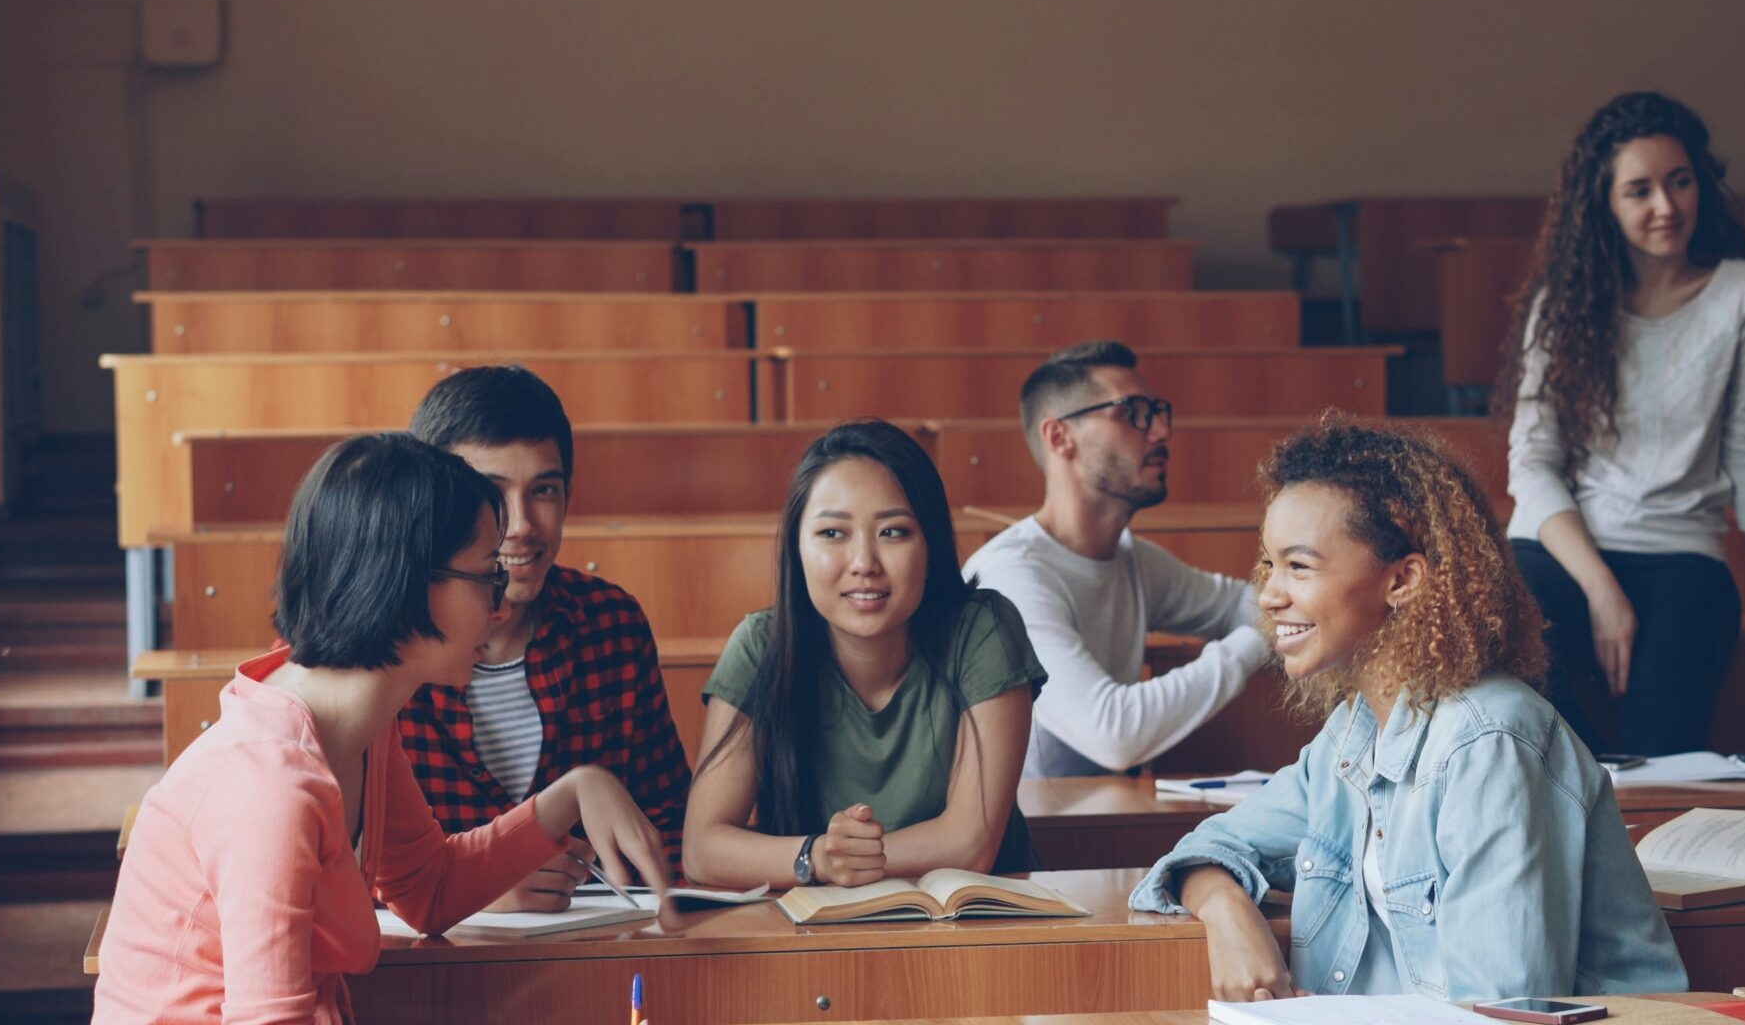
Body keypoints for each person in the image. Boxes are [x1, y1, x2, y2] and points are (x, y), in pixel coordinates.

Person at [92, 433, 671, 1025]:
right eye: (485, 576)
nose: (503, 601)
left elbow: (425, 890)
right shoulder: (271, 787)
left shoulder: (359, 720)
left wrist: (568, 795)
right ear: (408, 588)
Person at [1130, 419, 1686, 1003]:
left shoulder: (1489, 741)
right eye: (1270, 565)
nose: (1268, 595)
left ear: (1403, 580)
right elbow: (1208, 847)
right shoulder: (1353, 732)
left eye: (1299, 566)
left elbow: (1505, 1015)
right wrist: (1225, 909)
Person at [1495, 91, 1745, 757]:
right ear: (1604, 205)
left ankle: (1627, 818)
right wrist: (1603, 591)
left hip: (1680, 555)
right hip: (1561, 551)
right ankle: (1586, 789)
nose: (1666, 207)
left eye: (1680, 181)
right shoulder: (1565, 305)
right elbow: (1532, 463)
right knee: (1495, 642)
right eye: (1639, 190)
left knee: (1666, 751)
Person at [683, 419, 1046, 888]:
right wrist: (817, 856)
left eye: (893, 532)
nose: (863, 564)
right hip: (818, 934)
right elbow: (702, 848)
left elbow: (970, 843)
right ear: (797, 547)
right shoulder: (762, 645)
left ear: (930, 544)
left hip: (978, 929)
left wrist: (842, 861)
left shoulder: (982, 629)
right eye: (833, 534)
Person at [400, 366, 693, 903]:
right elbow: (336, 870)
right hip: (430, 963)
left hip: (598, 945)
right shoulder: (387, 645)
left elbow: (670, 825)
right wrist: (475, 887)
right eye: (490, 493)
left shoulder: (612, 624)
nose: (521, 524)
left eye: (545, 490)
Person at [961, 340, 1272, 776]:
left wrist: (1286, 618)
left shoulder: (1133, 560)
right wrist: (1264, 638)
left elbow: (1253, 604)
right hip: (1029, 836)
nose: (1161, 432)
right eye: (1131, 412)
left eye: (1158, 413)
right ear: (1060, 436)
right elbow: (1114, 735)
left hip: (1100, 818)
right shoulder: (1010, 578)